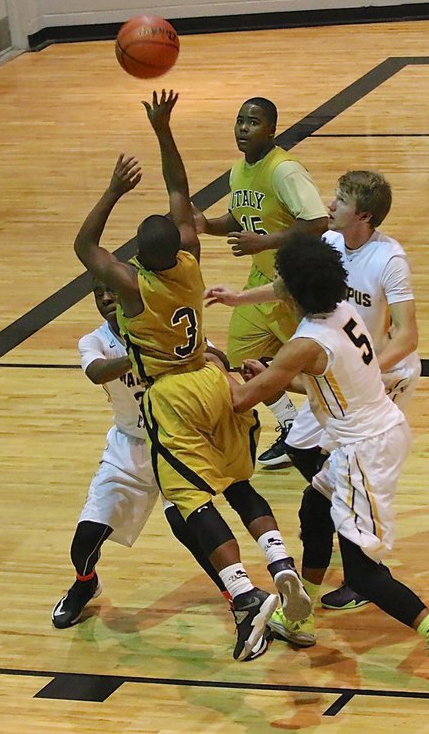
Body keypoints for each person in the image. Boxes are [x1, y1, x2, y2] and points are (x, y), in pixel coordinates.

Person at [72, 89, 311, 662]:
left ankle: (245, 597)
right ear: (177, 246)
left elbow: (84, 246)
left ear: (136, 259)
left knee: (187, 504)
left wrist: (112, 191)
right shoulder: (190, 262)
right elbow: (181, 192)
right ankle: (280, 560)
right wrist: (163, 130)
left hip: (173, 395)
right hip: (213, 377)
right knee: (238, 480)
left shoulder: (134, 289)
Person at [224, 233, 429, 703]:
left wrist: (209, 369)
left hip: (365, 450)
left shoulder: (304, 343)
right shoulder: (343, 312)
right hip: (372, 433)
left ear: (295, 290)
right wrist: (269, 373)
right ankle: (297, 614)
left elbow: (242, 400)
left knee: (363, 573)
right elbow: (329, 385)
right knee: (313, 505)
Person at [206, 170, 421, 613]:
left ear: (364, 213)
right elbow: (291, 285)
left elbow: (407, 336)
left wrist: (360, 371)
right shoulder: (330, 246)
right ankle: (346, 510)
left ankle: (363, 561)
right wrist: (238, 298)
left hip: (384, 378)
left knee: (345, 479)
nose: (329, 204)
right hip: (344, 369)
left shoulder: (389, 259)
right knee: (302, 446)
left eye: (339, 200)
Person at [52, 279, 232, 629]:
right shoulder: (94, 341)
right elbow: (95, 372)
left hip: (174, 442)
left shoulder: (163, 324)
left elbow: (218, 357)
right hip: (128, 445)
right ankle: (85, 584)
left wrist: (194, 354)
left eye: (112, 291)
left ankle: (237, 596)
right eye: (98, 293)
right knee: (85, 539)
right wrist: (141, 355)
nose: (105, 298)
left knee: (187, 527)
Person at [192, 97, 328, 469]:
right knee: (241, 358)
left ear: (271, 129)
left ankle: (334, 427)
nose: (243, 128)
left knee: (317, 368)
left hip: (295, 285)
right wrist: (207, 225)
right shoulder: (239, 172)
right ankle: (289, 423)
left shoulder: (284, 171)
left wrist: (265, 242)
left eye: (252, 122)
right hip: (261, 278)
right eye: (239, 121)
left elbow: (317, 223)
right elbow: (241, 218)